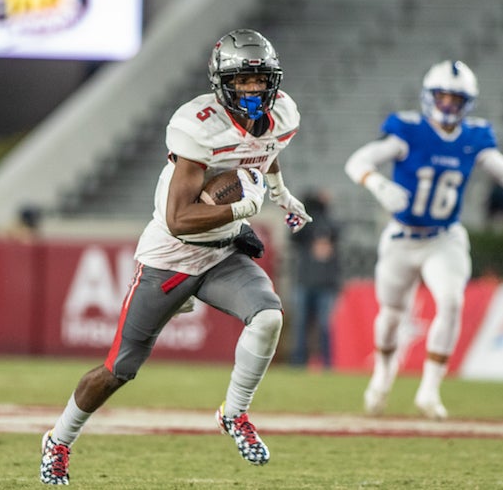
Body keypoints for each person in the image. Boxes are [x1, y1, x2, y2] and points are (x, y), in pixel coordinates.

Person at [39, 28, 312, 485]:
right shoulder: (197, 123)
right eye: (242, 81)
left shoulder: (281, 113)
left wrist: (282, 197)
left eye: (259, 80)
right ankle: (59, 439)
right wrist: (243, 208)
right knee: (118, 369)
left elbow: (266, 155)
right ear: (221, 82)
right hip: (172, 254)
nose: (252, 90)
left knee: (268, 317)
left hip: (223, 253)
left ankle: (235, 414)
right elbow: (179, 219)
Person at [344, 60, 503, 420]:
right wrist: (378, 183)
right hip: (401, 237)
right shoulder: (408, 130)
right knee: (391, 314)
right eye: (443, 97)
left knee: (451, 302)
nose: (448, 105)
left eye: (456, 99)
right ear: (429, 97)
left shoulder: (473, 137)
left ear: (468, 103)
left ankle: (429, 391)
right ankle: (384, 375)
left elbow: (498, 165)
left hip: (443, 238)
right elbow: (358, 161)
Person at [288, 189, 342, 369]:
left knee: (323, 327)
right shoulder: (307, 226)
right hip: (306, 282)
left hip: (324, 284)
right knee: (301, 326)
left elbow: (335, 229)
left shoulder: (331, 225)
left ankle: (326, 363)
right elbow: (293, 232)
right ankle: (299, 362)